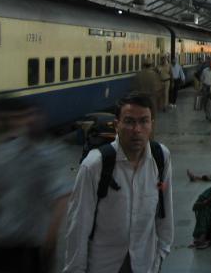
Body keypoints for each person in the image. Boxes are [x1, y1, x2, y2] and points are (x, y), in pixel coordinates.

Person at [63, 94, 174, 273]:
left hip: (145, 264)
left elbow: (165, 211)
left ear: (151, 124)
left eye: (144, 121)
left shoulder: (161, 157)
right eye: (129, 121)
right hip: (104, 265)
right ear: (117, 125)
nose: (137, 129)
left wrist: (161, 254)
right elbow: (78, 226)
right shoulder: (94, 165)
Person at [0, 98, 70, 273]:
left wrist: (49, 241)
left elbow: (62, 198)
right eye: (19, 118)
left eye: (27, 116)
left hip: (31, 245)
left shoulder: (51, 155)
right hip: (2, 242)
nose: (25, 122)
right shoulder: (1, 152)